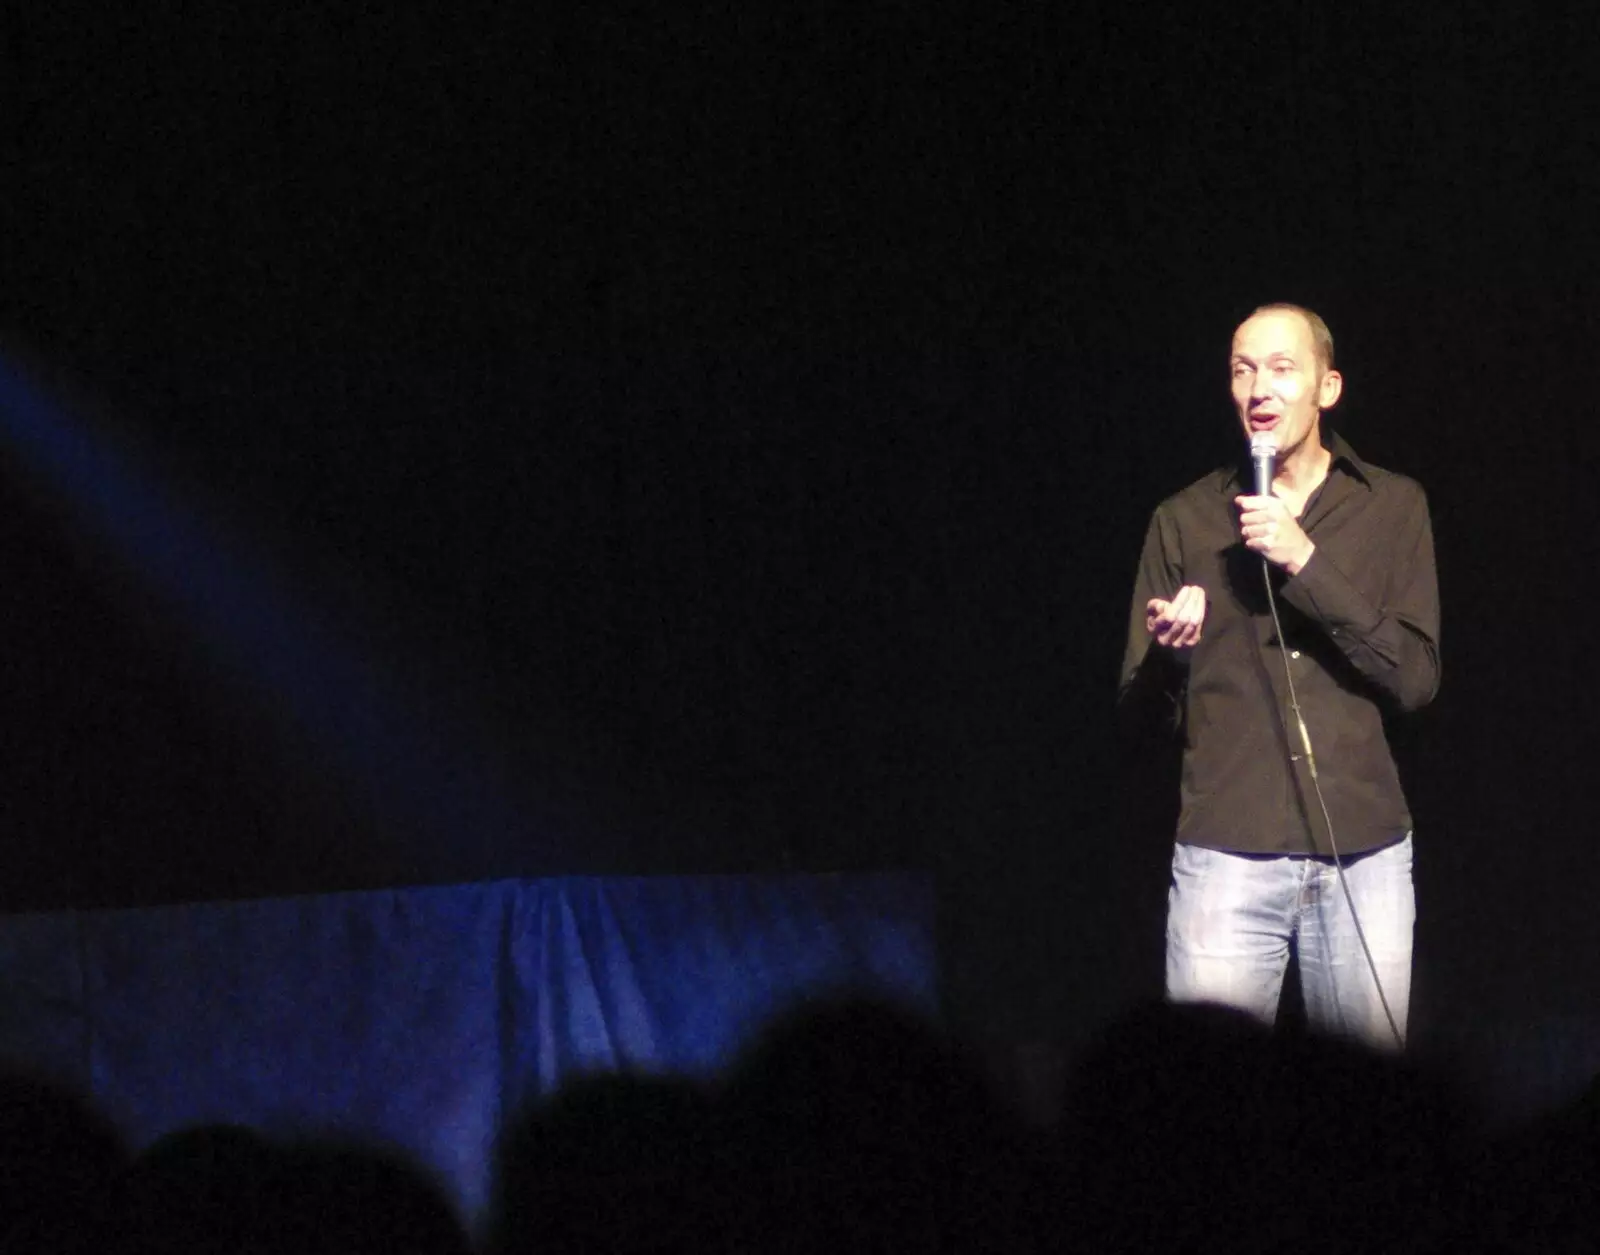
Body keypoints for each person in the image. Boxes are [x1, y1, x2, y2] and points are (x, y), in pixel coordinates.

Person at [1118, 303, 1440, 1049]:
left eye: (1281, 368)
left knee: (1368, 1109)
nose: (1258, 386)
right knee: (1208, 1102)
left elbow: (1416, 678)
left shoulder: (1392, 507)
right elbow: (1134, 717)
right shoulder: (1186, 519)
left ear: (1327, 388)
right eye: (1242, 369)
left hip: (1365, 853)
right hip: (1226, 855)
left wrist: (1304, 561)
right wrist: (1174, 653)